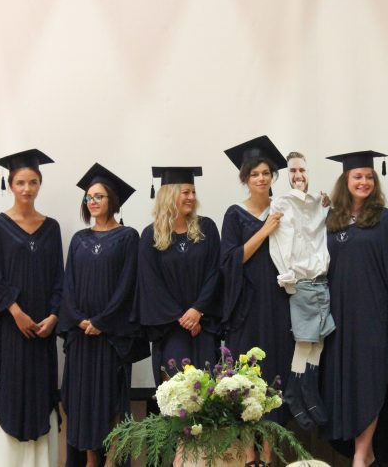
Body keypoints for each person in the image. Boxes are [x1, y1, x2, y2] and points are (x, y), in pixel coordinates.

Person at [321, 151, 388, 467]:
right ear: (345, 181)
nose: (364, 182)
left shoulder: (385, 221)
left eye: (369, 177)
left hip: (374, 319)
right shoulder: (330, 220)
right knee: (347, 386)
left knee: (371, 384)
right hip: (339, 319)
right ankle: (364, 453)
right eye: (357, 176)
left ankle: (362, 455)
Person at [58, 163, 142, 467]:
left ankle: (111, 461)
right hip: (82, 337)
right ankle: (91, 460)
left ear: (112, 200)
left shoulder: (128, 237)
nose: (92, 201)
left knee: (110, 399)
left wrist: (102, 322)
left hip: (111, 338)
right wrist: (79, 319)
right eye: (89, 197)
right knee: (81, 401)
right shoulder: (79, 239)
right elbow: (68, 285)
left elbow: (127, 286)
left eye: (99, 196)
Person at [221, 135, 294, 467]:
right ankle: (249, 455)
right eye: (254, 174)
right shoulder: (235, 215)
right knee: (248, 379)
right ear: (245, 179)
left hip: (280, 305)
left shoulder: (285, 208)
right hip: (247, 308)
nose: (261, 179)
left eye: (266, 173)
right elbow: (231, 260)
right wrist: (264, 230)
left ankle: (268, 455)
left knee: (276, 376)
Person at [0, 149, 63, 467]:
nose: (27, 188)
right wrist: (15, 311)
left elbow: (59, 278)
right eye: (21, 182)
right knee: (11, 389)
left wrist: (54, 316)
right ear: (10, 184)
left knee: (40, 389)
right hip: (10, 329)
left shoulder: (51, 228)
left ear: (40, 184)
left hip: (43, 331)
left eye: (33, 182)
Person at [137, 166, 221, 386]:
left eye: (193, 192)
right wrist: (182, 318)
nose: (192, 197)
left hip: (203, 324)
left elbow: (215, 272)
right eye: (186, 192)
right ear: (169, 195)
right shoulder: (151, 235)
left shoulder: (207, 228)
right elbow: (151, 283)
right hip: (170, 328)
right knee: (177, 392)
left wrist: (197, 310)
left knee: (207, 391)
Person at [269, 151, 334, 430]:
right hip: (302, 282)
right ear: (286, 175)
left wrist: (327, 202)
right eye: (293, 170)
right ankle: (297, 392)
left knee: (319, 339)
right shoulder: (281, 204)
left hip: (322, 282)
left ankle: (308, 390)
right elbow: (277, 243)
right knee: (305, 340)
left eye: (302, 170)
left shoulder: (320, 203)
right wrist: (288, 277)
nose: (298, 175)